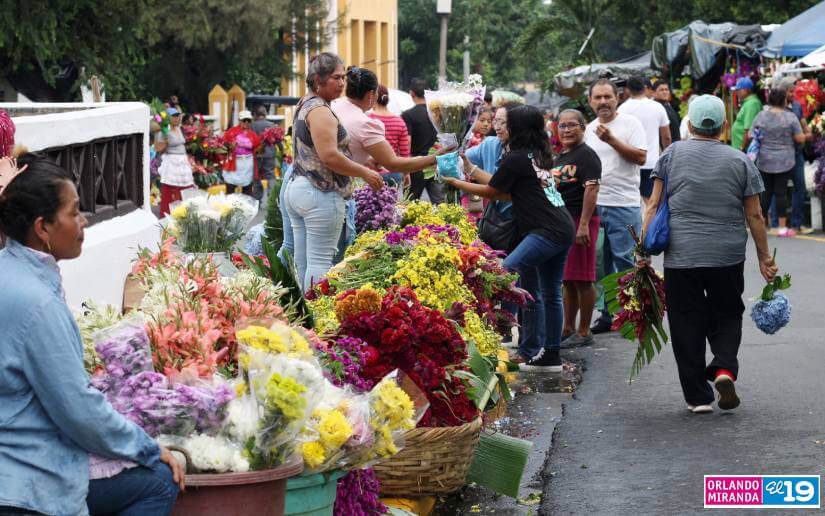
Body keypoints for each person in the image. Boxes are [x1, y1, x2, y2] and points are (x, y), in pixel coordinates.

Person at [0, 156, 185, 515]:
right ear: (43, 228)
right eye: (74, 213)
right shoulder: (37, 303)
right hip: (28, 482)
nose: (83, 221)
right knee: (160, 480)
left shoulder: (9, 270)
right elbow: (78, 410)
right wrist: (147, 447)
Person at [643, 95, 776, 413]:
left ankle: (698, 398)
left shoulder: (672, 154)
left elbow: (653, 205)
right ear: (724, 126)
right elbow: (754, 215)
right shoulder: (740, 160)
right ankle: (724, 368)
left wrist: (643, 252)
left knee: (685, 320)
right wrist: (764, 257)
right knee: (727, 312)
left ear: (689, 125)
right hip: (727, 255)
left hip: (682, 255)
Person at [444, 105, 575, 371]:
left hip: (546, 230)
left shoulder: (516, 158)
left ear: (518, 128)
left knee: (504, 271)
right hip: (561, 226)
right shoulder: (537, 154)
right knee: (548, 293)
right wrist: (470, 170)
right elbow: (506, 191)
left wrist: (456, 183)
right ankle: (550, 354)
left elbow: (493, 191)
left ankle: (495, 331)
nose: (500, 127)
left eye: (507, 123)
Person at [284, 53, 383, 292]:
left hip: (300, 188)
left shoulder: (306, 102)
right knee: (320, 264)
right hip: (320, 191)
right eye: (336, 78)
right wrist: (364, 172)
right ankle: (315, 312)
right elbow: (329, 156)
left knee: (304, 262)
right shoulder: (320, 110)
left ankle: (302, 310)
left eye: (343, 78)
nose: (342, 83)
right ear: (318, 79)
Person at [585, 79, 647, 335]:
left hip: (624, 204)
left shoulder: (631, 124)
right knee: (601, 265)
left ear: (617, 98)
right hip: (596, 205)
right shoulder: (588, 129)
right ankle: (608, 314)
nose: (603, 102)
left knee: (626, 262)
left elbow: (641, 157)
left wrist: (611, 140)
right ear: (590, 101)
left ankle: (633, 313)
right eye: (598, 97)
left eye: (607, 96)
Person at [553, 109, 601, 348]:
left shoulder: (587, 156)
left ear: (583, 127)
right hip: (564, 221)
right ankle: (567, 328)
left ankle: (584, 331)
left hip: (581, 220)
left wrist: (583, 225)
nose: (567, 130)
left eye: (572, 125)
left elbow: (591, 190)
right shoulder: (561, 157)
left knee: (583, 278)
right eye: (562, 125)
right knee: (568, 278)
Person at [750, 88, 805, 237]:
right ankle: (781, 227)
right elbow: (800, 138)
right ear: (784, 101)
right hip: (785, 161)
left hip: (764, 160)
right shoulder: (790, 117)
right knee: (781, 193)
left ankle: (760, 224)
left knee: (766, 193)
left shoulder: (761, 116)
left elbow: (751, 134)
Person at [617, 76, 671, 206]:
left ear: (628, 90)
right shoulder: (657, 107)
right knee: (652, 202)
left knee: (631, 202)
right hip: (652, 162)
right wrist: (667, 157)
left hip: (630, 163)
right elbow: (666, 137)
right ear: (645, 88)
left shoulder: (622, 110)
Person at [402, 78, 444, 203]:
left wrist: (405, 169)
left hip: (416, 164)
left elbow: (407, 142)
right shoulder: (438, 114)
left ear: (411, 93)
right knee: (441, 204)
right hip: (436, 163)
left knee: (409, 204)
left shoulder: (408, 115)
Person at [367, 84, 411, 187]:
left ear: (373, 97)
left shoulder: (368, 119)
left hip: (371, 172)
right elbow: (404, 152)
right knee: (390, 197)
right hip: (394, 173)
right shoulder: (399, 121)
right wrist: (407, 173)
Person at [155, 107, 195, 216]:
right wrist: (165, 143)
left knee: (187, 189)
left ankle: (186, 216)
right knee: (169, 191)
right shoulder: (164, 130)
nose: (177, 118)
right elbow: (158, 148)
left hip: (183, 163)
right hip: (172, 163)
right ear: (168, 118)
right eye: (174, 116)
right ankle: (166, 217)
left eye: (178, 116)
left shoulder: (179, 129)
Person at [222, 110, 262, 198]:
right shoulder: (231, 131)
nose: (246, 122)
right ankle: (229, 204)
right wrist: (229, 146)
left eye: (248, 120)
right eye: (244, 120)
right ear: (240, 120)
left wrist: (260, 148)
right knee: (230, 187)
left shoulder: (252, 134)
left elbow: (258, 147)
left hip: (247, 163)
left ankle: (246, 204)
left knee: (247, 189)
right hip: (234, 163)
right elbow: (223, 144)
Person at [730, 77, 762, 152]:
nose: (737, 93)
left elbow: (748, 129)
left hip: (744, 149)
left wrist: (742, 148)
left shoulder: (751, 104)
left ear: (746, 90)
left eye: (738, 90)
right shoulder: (748, 103)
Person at [251, 105, 277, 183]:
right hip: (269, 154)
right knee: (270, 174)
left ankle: (257, 190)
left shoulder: (252, 125)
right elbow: (277, 140)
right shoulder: (272, 125)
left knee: (256, 174)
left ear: (255, 114)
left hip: (257, 154)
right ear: (265, 114)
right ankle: (271, 190)